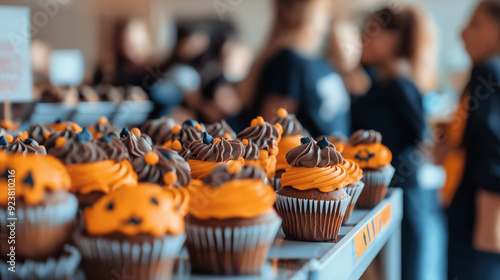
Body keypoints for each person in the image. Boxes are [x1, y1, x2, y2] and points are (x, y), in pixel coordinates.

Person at [344, 5, 445, 280]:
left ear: (394, 39)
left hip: (401, 198)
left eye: (371, 30)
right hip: (380, 198)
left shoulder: (401, 84)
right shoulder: (379, 82)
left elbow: (422, 138)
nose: (363, 37)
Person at [239, 0, 350, 137]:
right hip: (308, 156)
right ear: (310, 13)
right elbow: (273, 132)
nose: (328, 18)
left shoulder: (318, 61)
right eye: (325, 12)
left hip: (338, 155)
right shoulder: (289, 63)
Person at [446, 1, 500, 279]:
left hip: (477, 217)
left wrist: (490, 220)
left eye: (476, 24)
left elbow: (493, 144)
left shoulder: (488, 70)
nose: (463, 33)